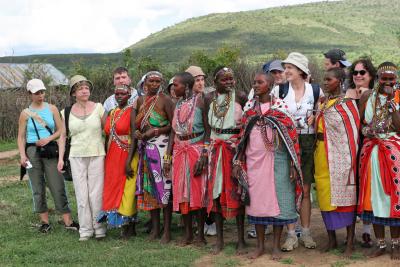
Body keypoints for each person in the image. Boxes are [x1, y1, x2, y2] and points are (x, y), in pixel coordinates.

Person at [234, 72, 303, 260]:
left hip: (279, 162)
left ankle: (276, 247)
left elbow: (291, 139)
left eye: (260, 82)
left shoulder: (281, 108)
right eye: (254, 82)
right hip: (254, 163)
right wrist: (239, 162)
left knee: (280, 202)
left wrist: (291, 165)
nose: (255, 85)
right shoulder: (249, 110)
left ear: (270, 85)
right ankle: (260, 247)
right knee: (257, 204)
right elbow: (242, 139)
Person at [271, 52, 323, 251]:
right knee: (288, 187)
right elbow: (273, 116)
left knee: (306, 188)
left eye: (290, 68)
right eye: (286, 68)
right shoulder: (279, 90)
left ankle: (306, 232)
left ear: (301, 70)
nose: (286, 71)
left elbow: (322, 114)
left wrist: (316, 119)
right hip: (285, 142)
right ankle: (291, 234)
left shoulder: (315, 90)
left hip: (307, 142)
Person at [17, 78, 78, 233]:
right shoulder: (25, 114)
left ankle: (68, 220)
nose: (40, 95)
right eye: (37, 93)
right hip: (32, 151)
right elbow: (21, 137)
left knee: (57, 184)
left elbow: (61, 130)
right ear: (29, 93)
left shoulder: (52, 109)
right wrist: (23, 155)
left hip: (50, 149)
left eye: (42, 92)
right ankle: (44, 222)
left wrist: (48, 139)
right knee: (37, 186)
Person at [314, 68, 359, 256]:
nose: (325, 83)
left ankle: (349, 241)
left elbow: (352, 132)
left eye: (329, 79)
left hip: (341, 157)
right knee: (324, 196)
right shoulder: (323, 103)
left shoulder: (348, 104)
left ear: (340, 81)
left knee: (346, 199)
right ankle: (332, 239)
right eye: (324, 79)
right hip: (321, 154)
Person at [358, 62, 400, 260]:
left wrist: (393, 104)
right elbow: (362, 124)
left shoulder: (398, 97)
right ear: (377, 79)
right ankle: (381, 244)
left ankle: (396, 245)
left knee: (393, 197)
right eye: (384, 78)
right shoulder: (368, 97)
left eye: (392, 79)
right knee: (374, 197)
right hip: (373, 151)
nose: (388, 82)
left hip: (394, 151)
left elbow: (399, 127)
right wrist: (368, 132)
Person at [204, 66, 247, 253]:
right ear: (215, 82)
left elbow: (247, 125)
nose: (229, 82)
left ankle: (241, 239)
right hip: (215, 149)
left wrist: (241, 150)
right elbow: (208, 130)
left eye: (231, 79)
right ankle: (220, 240)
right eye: (224, 80)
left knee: (237, 191)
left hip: (233, 149)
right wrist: (205, 152)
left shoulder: (241, 96)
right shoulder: (208, 99)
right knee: (216, 193)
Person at [57, 75, 107, 241]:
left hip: (97, 154)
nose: (85, 91)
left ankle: (99, 227)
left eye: (86, 88)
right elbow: (63, 136)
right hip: (76, 156)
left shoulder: (99, 107)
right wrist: (60, 159)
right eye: (80, 88)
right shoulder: (66, 112)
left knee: (96, 193)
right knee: (81, 193)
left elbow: (108, 131)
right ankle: (85, 230)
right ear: (73, 93)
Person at [163, 72, 209, 246]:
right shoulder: (178, 103)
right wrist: (168, 157)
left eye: (176, 85)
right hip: (179, 151)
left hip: (196, 151)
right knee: (182, 193)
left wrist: (204, 154)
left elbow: (208, 129)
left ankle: (200, 235)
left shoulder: (201, 101)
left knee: (198, 192)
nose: (174, 88)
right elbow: (174, 132)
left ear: (187, 87)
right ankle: (188, 234)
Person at [131, 71, 174, 243]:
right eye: (152, 81)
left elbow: (173, 127)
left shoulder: (166, 100)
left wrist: (156, 132)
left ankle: (167, 232)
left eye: (158, 81)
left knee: (164, 190)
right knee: (150, 190)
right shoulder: (139, 100)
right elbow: (135, 125)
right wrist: (138, 132)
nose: (155, 84)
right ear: (145, 83)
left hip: (161, 148)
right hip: (146, 149)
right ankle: (155, 229)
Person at [97, 85, 138, 239]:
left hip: (127, 155)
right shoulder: (112, 113)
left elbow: (134, 137)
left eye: (123, 94)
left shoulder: (132, 112)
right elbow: (107, 136)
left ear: (129, 95)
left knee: (128, 190)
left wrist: (128, 161)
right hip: (113, 156)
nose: (119, 96)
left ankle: (130, 225)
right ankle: (122, 224)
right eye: (117, 94)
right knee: (115, 189)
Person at [345, 58, 376, 247]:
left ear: (371, 76)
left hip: (367, 145)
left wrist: (366, 96)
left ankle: (366, 231)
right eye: (355, 73)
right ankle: (350, 234)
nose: (357, 76)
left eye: (362, 73)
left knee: (367, 188)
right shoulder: (345, 94)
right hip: (347, 146)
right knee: (350, 187)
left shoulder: (376, 96)